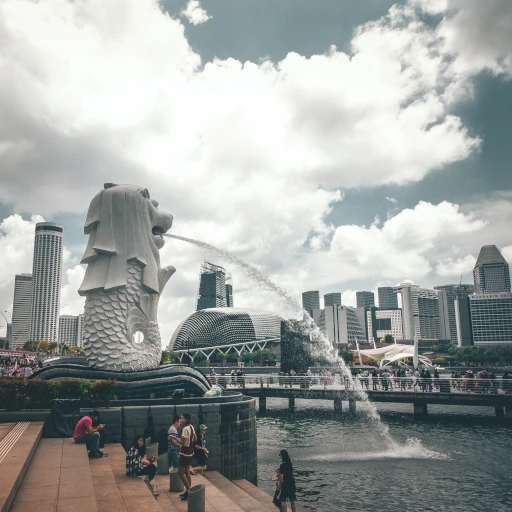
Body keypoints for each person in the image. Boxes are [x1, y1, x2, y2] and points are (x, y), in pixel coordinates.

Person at [170, 413, 197, 501]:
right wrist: (190, 441)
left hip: (185, 453)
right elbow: (195, 438)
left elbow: (182, 442)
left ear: (186, 419)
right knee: (187, 473)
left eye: (182, 418)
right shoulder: (191, 427)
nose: (181, 420)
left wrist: (174, 438)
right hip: (190, 452)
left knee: (180, 473)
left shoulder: (185, 429)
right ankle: (187, 492)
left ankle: (189, 491)